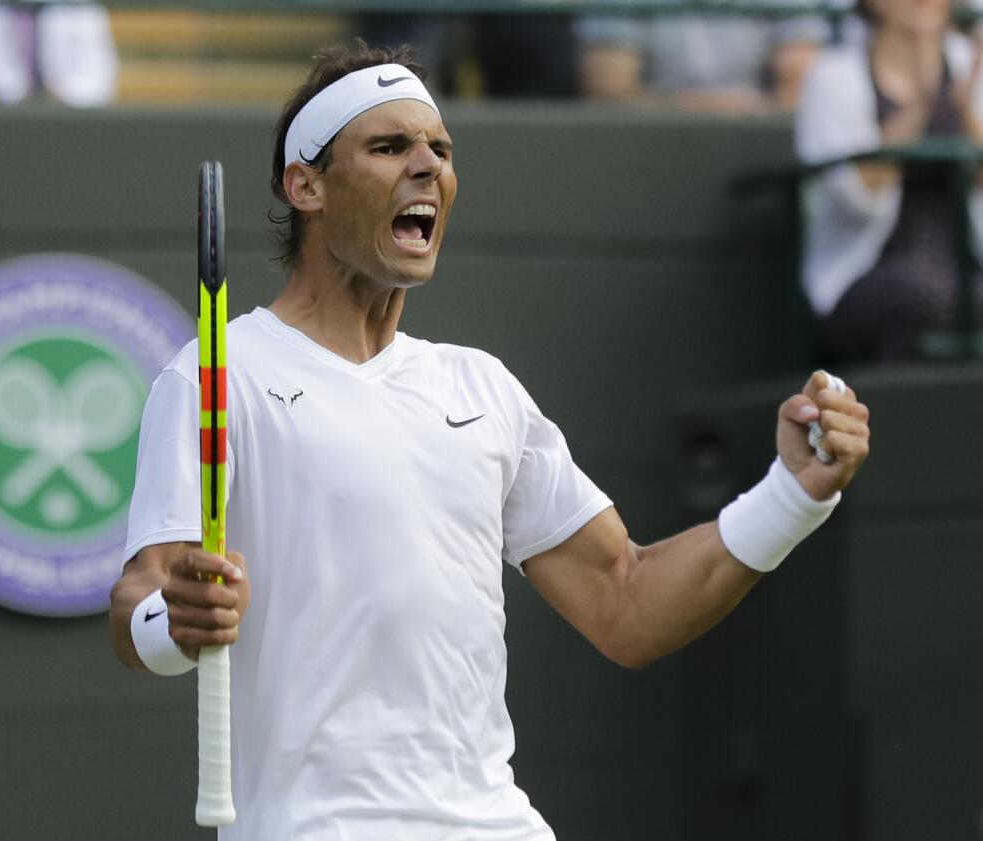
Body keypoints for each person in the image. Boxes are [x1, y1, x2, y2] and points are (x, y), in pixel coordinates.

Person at [109, 40, 872, 841]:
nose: (427, 167)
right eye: (389, 146)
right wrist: (174, 619)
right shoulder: (216, 374)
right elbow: (140, 599)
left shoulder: (482, 387)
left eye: (440, 149)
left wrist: (793, 494)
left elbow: (627, 600)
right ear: (306, 185)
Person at [796, 0, 983, 362]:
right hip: (868, 273)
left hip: (965, 262)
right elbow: (854, 198)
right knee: (918, 299)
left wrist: (963, 112)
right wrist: (921, 105)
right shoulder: (833, 76)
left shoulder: (971, 65)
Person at [577, 0, 829, 115]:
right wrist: (697, 108)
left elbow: (802, 92)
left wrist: (748, 112)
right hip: (647, 149)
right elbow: (609, 95)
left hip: (758, 146)